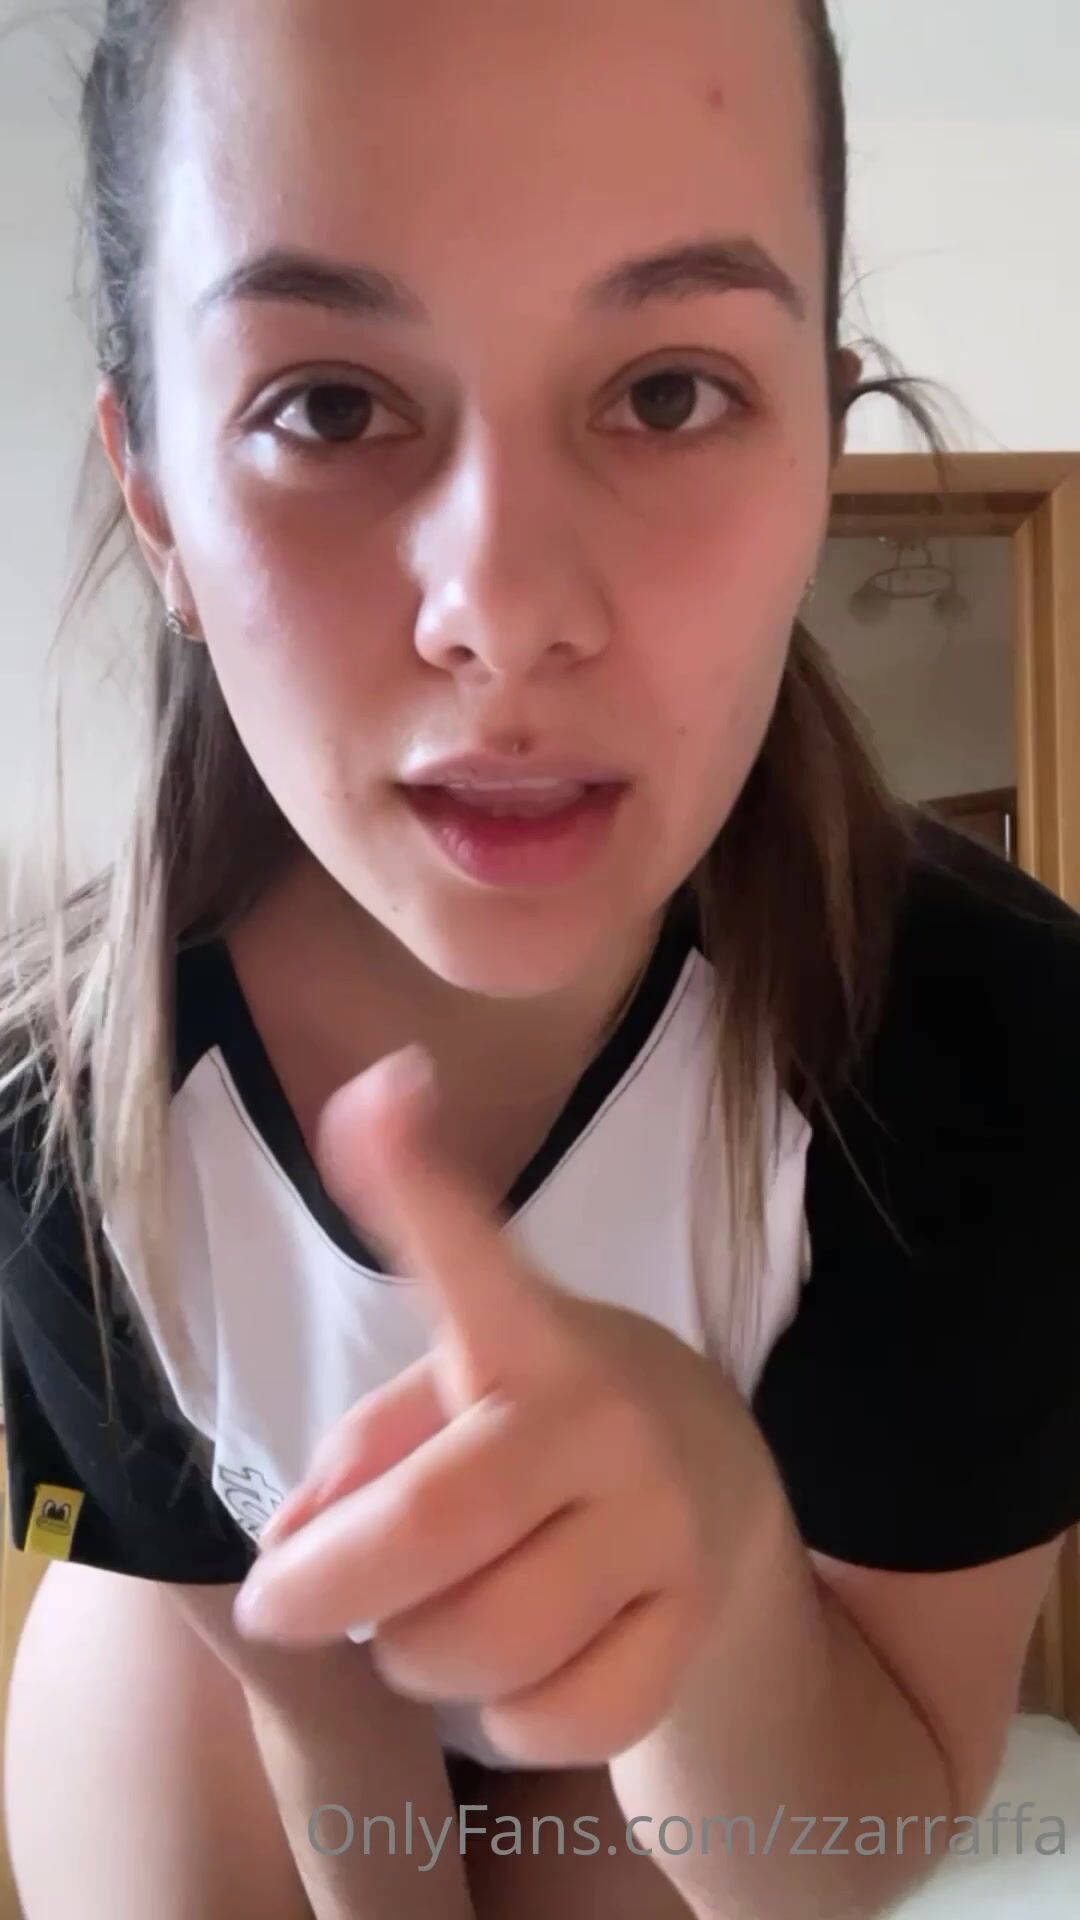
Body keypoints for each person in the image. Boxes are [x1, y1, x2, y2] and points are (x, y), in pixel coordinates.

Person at [2, 0, 1079, 1914]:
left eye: (667, 393)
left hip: (750, 1698)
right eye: (328, 406)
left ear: (821, 455)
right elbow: (303, 1700)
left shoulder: (1005, 1050)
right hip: (256, 1669)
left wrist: (723, 1559)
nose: (504, 613)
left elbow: (855, 1814)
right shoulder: (60, 1108)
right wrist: (346, 1745)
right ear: (155, 497)